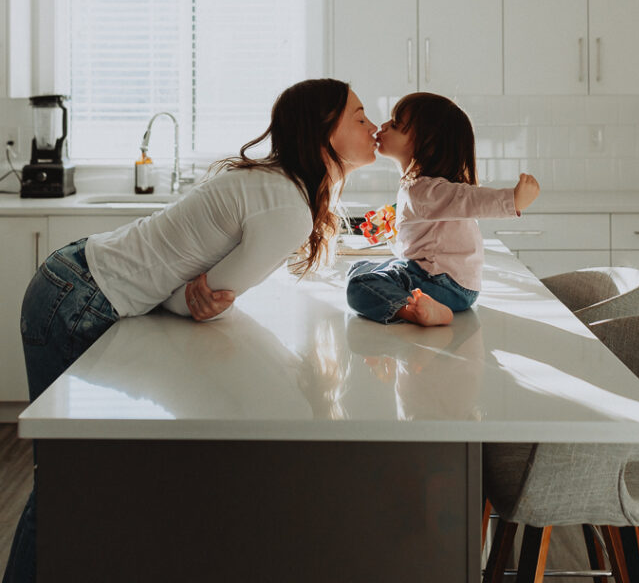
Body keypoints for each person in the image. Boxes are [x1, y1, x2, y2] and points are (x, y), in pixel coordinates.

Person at [3, 78, 378, 583]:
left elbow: (202, 295)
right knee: (68, 480)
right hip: (78, 300)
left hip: (75, 277)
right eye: (359, 116)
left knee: (85, 475)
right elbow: (204, 301)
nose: (373, 126)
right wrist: (188, 300)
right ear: (322, 132)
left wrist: (190, 298)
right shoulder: (287, 207)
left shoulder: (274, 184)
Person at [346, 92, 540, 327]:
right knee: (359, 268)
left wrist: (512, 200)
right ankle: (424, 305)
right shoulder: (425, 188)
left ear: (424, 142)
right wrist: (393, 224)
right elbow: (427, 225)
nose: (383, 126)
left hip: (438, 283)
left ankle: (413, 310)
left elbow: (470, 200)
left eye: (395, 125)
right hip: (456, 286)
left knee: (358, 286)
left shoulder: (424, 189)